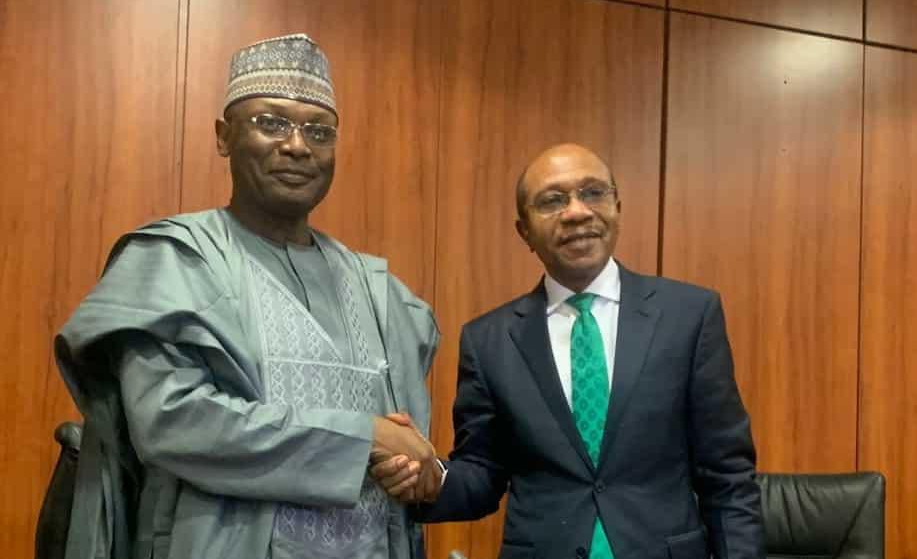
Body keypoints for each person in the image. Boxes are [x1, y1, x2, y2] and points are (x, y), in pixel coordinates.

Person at [55, 33, 440, 559]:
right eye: (271, 122)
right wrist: (360, 440)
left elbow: (413, 443)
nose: (298, 146)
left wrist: (424, 470)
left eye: (319, 131)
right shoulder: (173, 261)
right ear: (223, 136)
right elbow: (172, 422)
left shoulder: (380, 292)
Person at [373, 144, 764, 558]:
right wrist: (428, 475)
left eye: (593, 192)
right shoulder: (489, 340)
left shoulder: (688, 316)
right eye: (553, 201)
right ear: (524, 231)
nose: (577, 211)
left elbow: (728, 478)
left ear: (617, 206)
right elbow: (483, 474)